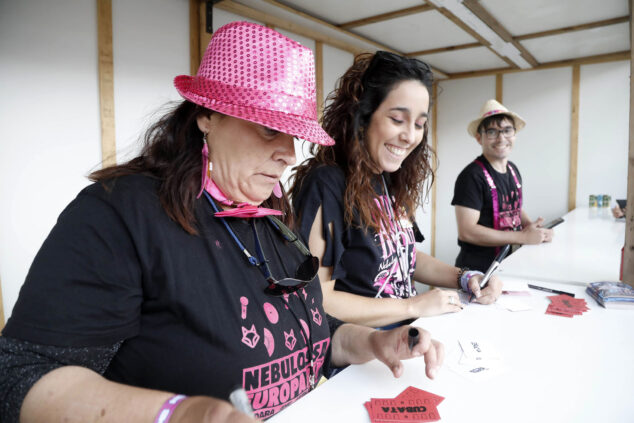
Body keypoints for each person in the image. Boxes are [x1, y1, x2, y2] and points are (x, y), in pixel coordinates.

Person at [0, 22, 444, 423]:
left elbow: (311, 329)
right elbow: (23, 375)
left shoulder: (271, 211)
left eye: (293, 135)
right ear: (207, 116)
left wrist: (373, 344)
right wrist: (180, 413)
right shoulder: (120, 213)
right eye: (269, 129)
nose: (289, 154)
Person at [291, 51, 502, 330]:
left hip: (405, 337)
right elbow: (319, 298)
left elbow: (405, 257)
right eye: (397, 119)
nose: (411, 136)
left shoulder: (389, 177)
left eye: (419, 124)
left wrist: (464, 277)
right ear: (362, 116)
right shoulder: (327, 183)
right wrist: (413, 305)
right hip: (360, 356)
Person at [452, 99, 554, 273]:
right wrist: (522, 237)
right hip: (476, 272)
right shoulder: (471, 176)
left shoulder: (513, 170)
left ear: (514, 134)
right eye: (492, 132)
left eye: (507, 130)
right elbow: (467, 231)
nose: (501, 138)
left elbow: (514, 208)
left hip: (507, 265)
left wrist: (531, 227)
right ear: (479, 138)